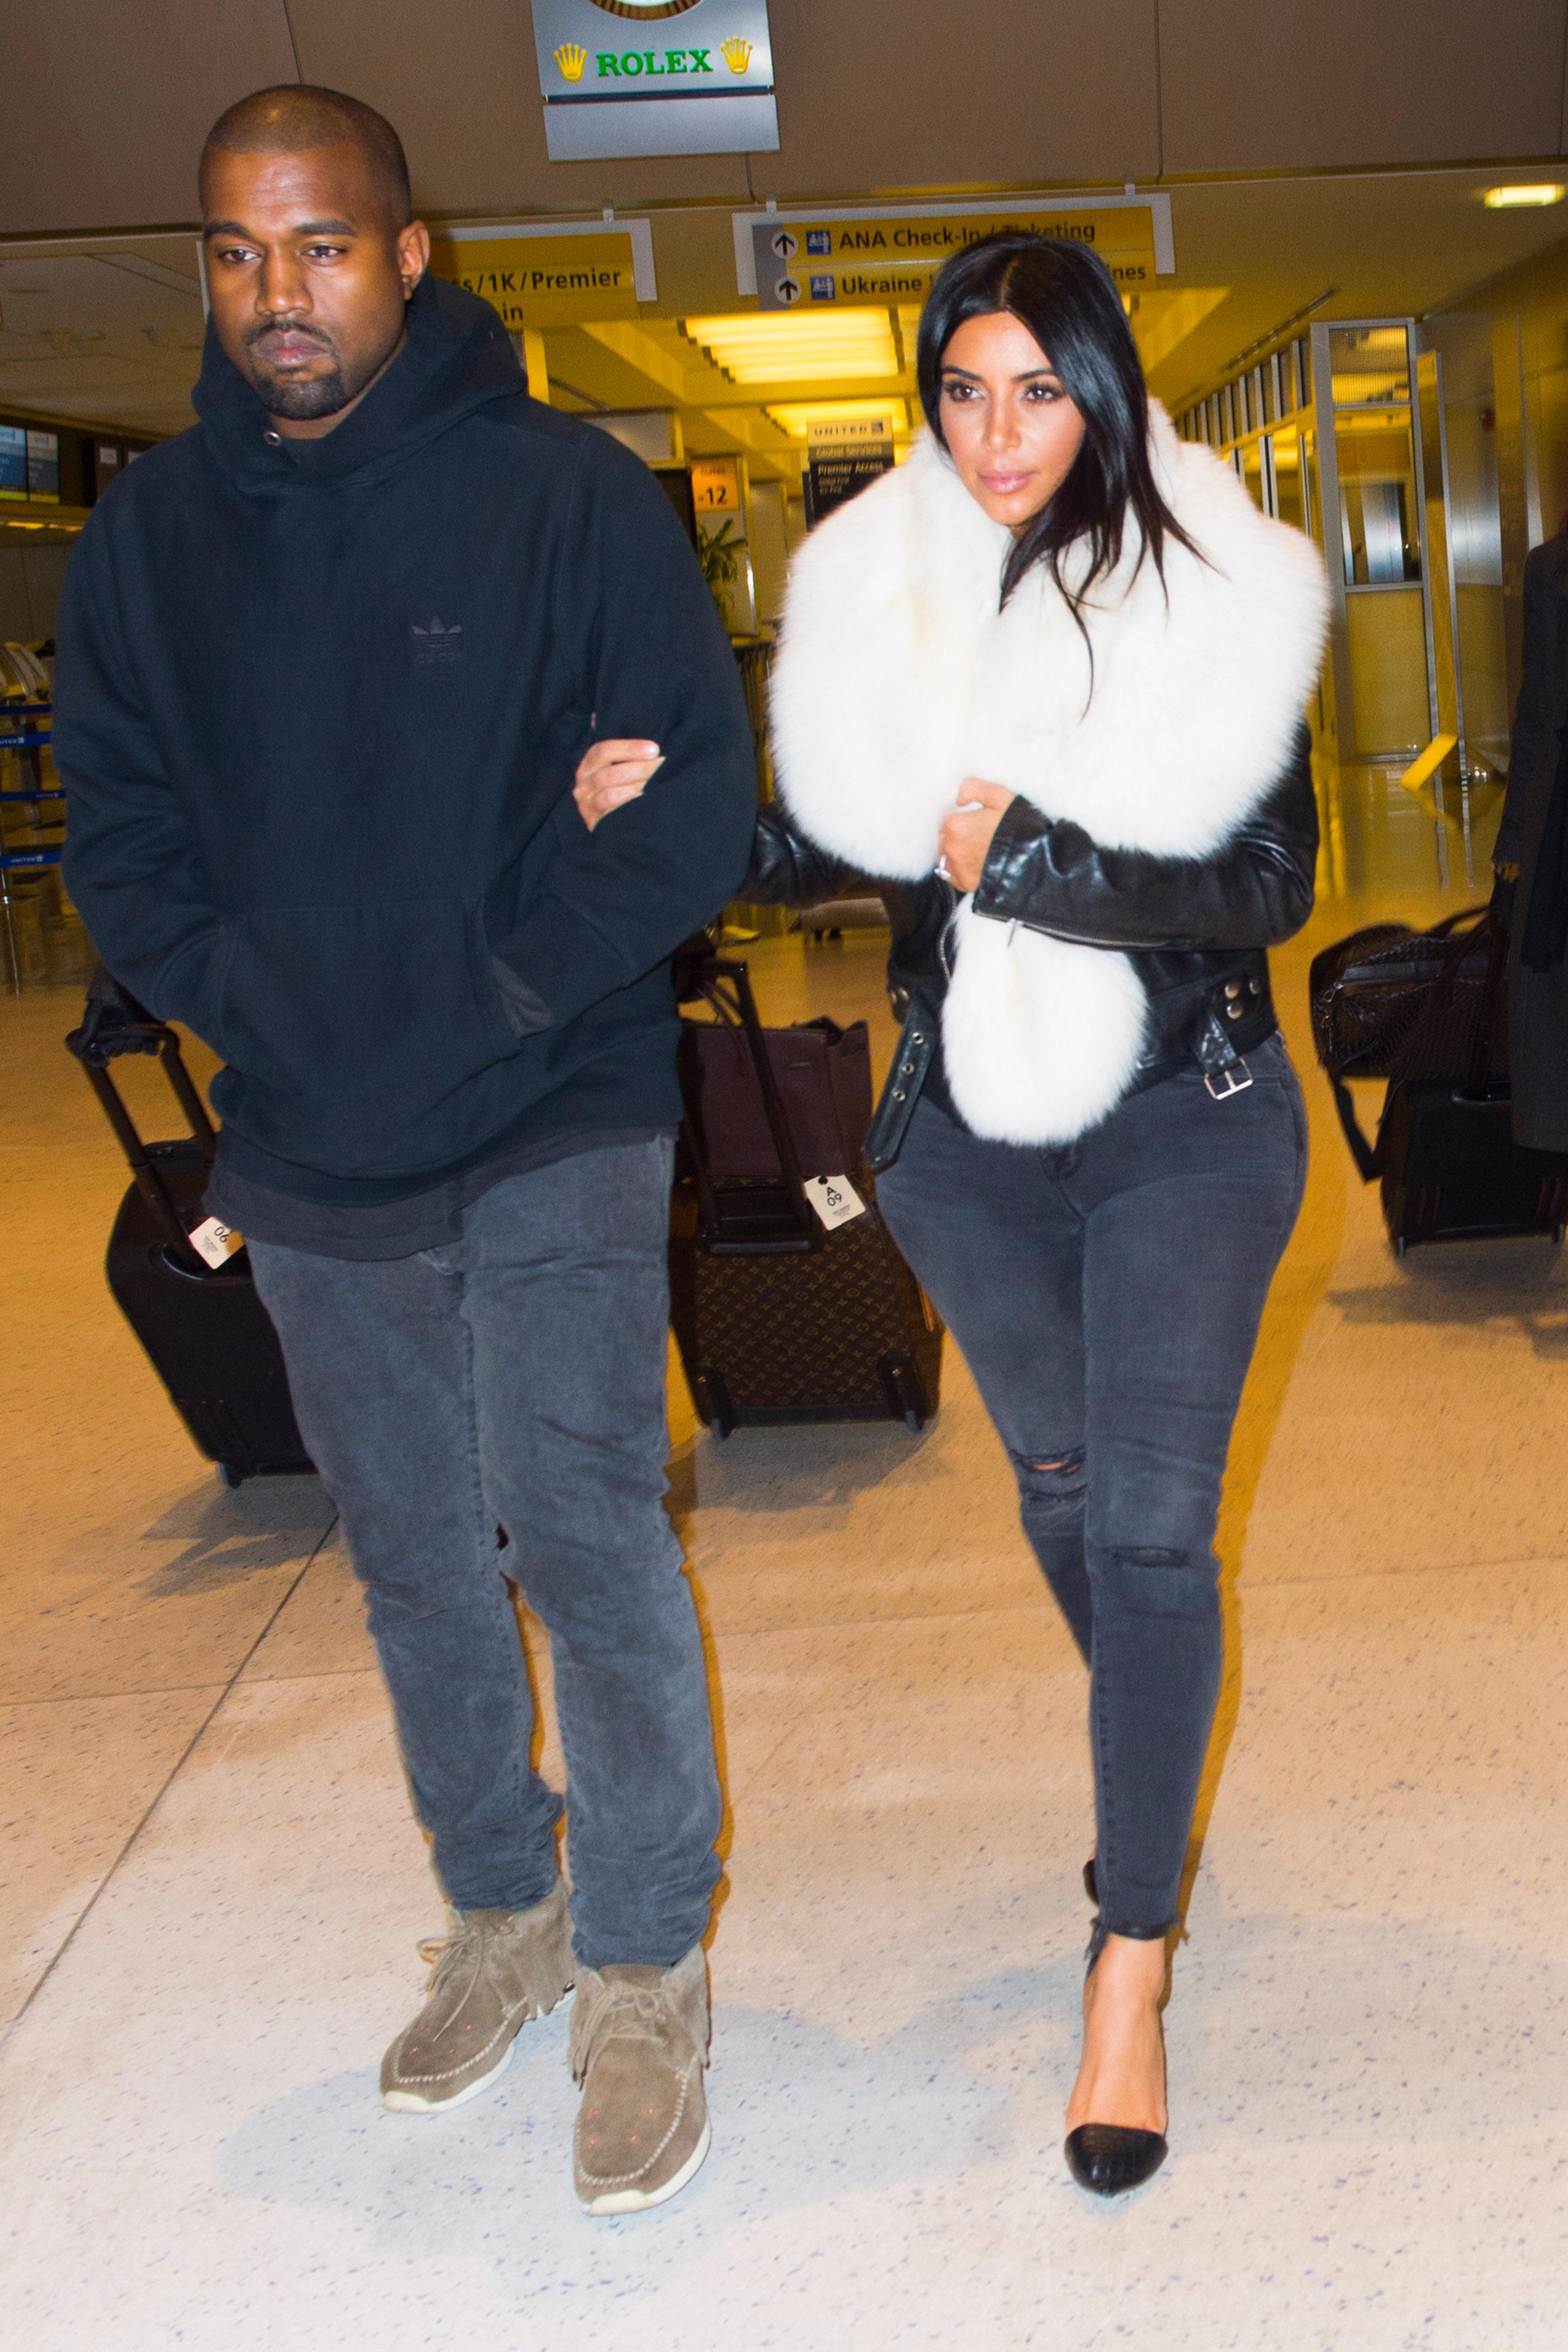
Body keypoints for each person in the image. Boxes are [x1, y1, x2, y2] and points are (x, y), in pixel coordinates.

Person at [56, 84, 757, 2216]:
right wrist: (260, 1002)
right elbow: (125, 834)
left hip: (554, 1095)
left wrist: (502, 979)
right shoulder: (150, 545)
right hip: (307, 1129)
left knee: (581, 1522)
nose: (279, 293)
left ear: (412, 248)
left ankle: (643, 1962)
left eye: (322, 246)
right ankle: (503, 1908)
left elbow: (692, 803)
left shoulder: (563, 500)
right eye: (238, 254)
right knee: (414, 1565)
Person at [579, 233, 1326, 2195]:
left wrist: (1047, 861)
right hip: (963, 1142)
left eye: (1037, 387)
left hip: (1189, 1110)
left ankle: (1128, 1958)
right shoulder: (867, 591)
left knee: (1153, 1532)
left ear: (1102, 388)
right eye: (962, 389)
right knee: (1073, 1498)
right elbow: (818, 828)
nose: (996, 433)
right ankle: (1151, 1768)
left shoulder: (1221, 577)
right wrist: (659, 805)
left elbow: (1266, 880)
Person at [1492, 527, 1568, 1151]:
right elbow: (1540, 712)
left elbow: (1539, 713)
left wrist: (1515, 845)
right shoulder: (1551, 569)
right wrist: (1515, 842)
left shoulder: (1554, 568)